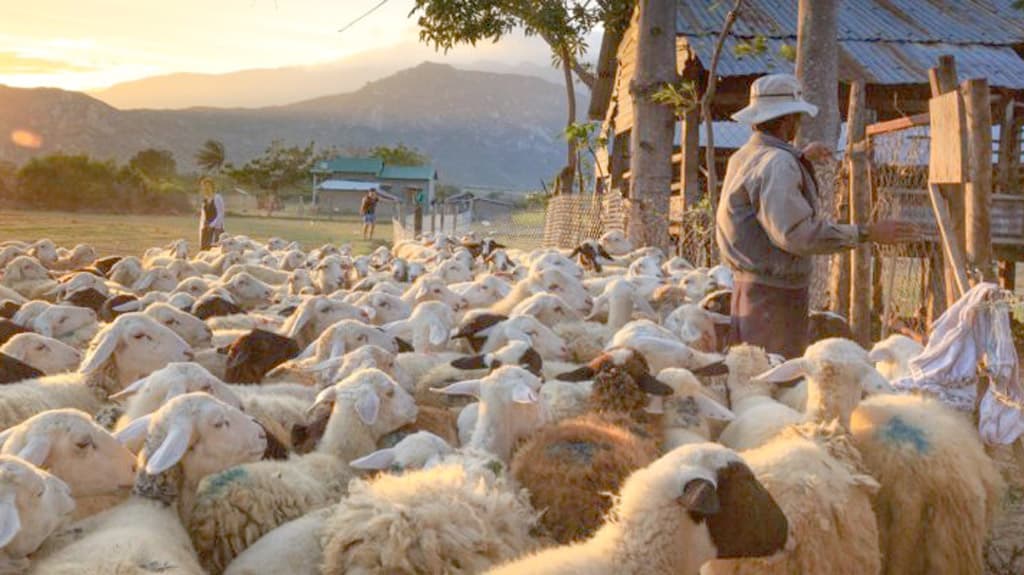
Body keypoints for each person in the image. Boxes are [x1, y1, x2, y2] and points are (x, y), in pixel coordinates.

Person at [716, 73, 919, 359]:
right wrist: (867, 232)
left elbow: (765, 188)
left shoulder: (746, 156)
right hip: (775, 301)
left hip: (748, 291)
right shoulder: (778, 163)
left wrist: (799, 157)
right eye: (796, 119)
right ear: (788, 121)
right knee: (776, 381)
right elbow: (796, 235)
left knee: (751, 379)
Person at [199, 177, 225, 251]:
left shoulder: (217, 198)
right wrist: (204, 226)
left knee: (214, 249)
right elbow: (203, 216)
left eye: (208, 186)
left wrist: (212, 225)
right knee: (204, 249)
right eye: (204, 186)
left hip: (216, 227)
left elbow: (221, 213)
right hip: (206, 228)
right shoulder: (205, 200)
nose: (206, 188)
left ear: (212, 187)